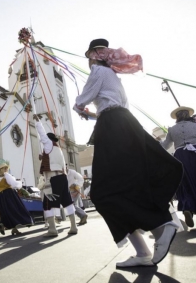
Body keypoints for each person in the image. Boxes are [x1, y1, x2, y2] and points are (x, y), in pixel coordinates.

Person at [73, 39, 183, 267]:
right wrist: (93, 114)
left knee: (105, 193)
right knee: (124, 185)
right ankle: (144, 250)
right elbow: (112, 106)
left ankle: (160, 227)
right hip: (123, 124)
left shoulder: (97, 70)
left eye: (89, 55)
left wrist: (78, 106)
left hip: (112, 128)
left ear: (95, 54)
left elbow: (82, 99)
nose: (88, 59)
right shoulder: (113, 75)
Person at [33, 114, 78, 237]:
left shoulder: (48, 143)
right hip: (62, 178)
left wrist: (38, 122)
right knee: (67, 202)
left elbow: (42, 134)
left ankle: (52, 229)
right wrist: (43, 157)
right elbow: (54, 162)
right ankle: (73, 226)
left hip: (53, 179)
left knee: (47, 203)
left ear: (48, 139)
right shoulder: (57, 149)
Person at [160, 106, 196, 228]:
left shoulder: (172, 129)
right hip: (194, 153)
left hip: (180, 156)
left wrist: (155, 143)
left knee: (185, 183)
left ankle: (187, 208)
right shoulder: (195, 126)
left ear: (177, 117)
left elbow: (165, 145)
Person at [0, 163, 33, 235]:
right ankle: (24, 222)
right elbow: (14, 184)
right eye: (5, 168)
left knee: (5, 211)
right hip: (9, 194)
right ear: (2, 169)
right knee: (15, 209)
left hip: (0, 196)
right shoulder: (7, 176)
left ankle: (8, 226)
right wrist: (20, 182)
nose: (6, 169)